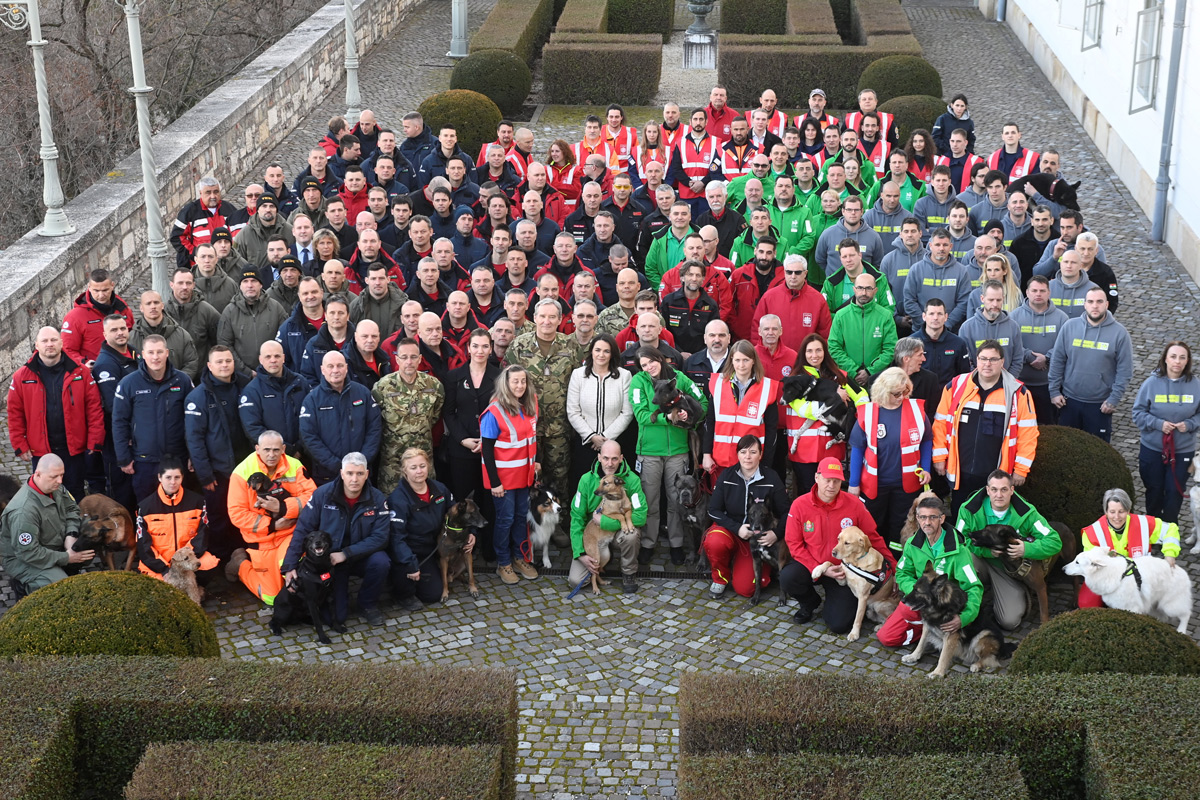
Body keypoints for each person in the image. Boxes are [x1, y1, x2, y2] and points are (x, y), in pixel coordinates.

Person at [781, 457, 895, 630]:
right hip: (813, 565)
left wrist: (894, 568)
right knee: (788, 577)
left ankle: (835, 603)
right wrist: (819, 568)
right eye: (827, 480)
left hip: (845, 571)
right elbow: (793, 543)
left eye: (836, 481)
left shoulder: (854, 504)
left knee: (839, 625)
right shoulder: (799, 505)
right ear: (816, 477)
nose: (831, 486)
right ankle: (810, 603)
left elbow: (873, 538)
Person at [283, 452, 392, 626]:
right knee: (336, 618)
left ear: (367, 474)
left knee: (381, 561)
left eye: (359, 473)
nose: (354, 479)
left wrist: (346, 553)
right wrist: (290, 565)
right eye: (349, 473)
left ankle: (368, 604)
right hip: (331, 562)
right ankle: (340, 596)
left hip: (360, 556)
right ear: (341, 473)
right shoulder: (322, 495)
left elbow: (380, 538)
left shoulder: (378, 499)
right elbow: (303, 530)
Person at [933, 339, 1039, 514]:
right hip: (961, 471)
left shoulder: (1017, 393)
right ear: (976, 360)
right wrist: (939, 458)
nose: (987, 364)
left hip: (996, 475)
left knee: (991, 525)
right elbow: (940, 424)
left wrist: (1021, 469)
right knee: (961, 519)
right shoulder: (956, 386)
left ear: (1002, 362)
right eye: (983, 359)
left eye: (993, 359)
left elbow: (1028, 434)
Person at [956, 469, 1061, 630]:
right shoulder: (969, 509)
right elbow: (958, 541)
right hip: (980, 561)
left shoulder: (1027, 513)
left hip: (1006, 570)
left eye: (1004, 489)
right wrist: (985, 552)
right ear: (987, 490)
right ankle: (966, 606)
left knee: (1010, 621)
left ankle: (1016, 595)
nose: (999, 495)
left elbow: (1054, 542)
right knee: (963, 559)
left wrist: (1026, 549)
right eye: (994, 489)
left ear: (1012, 490)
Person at [7, 326, 104, 501]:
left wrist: (95, 440)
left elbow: (94, 408)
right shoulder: (21, 376)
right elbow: (14, 413)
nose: (49, 344)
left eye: (53, 340)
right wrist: (19, 444)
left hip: (74, 449)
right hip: (41, 450)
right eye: (44, 341)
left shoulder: (80, 372)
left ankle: (75, 527)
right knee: (44, 495)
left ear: (61, 342)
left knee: (76, 491)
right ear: (36, 344)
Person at [630, 347, 707, 565]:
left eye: (651, 362)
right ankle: (648, 543)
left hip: (678, 451)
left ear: (660, 359)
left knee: (677, 502)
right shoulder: (638, 382)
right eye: (644, 365)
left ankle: (676, 544)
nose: (649, 368)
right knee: (650, 501)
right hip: (649, 452)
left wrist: (689, 417)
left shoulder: (679, 378)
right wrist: (670, 417)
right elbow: (642, 415)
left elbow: (702, 403)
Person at [876, 494, 981, 648]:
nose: (927, 522)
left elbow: (974, 587)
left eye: (932, 517)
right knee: (886, 637)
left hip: (944, 608)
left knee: (908, 613)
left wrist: (964, 618)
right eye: (923, 517)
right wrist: (920, 591)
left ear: (942, 518)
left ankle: (933, 637)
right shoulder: (912, 543)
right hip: (921, 601)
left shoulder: (959, 551)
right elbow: (902, 573)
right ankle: (926, 636)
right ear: (917, 518)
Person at [504, 300, 579, 514]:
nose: (547, 321)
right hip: (526, 426)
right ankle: (528, 523)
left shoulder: (570, 346)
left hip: (559, 426)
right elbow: (507, 383)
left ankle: (558, 523)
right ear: (534, 318)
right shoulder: (519, 346)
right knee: (527, 475)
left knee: (559, 475)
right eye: (542, 316)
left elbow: (579, 383)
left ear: (560, 319)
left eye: (552, 317)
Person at [847, 367, 931, 551]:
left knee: (900, 528)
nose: (901, 397)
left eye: (905, 391)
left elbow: (926, 440)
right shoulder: (867, 412)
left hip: (907, 485)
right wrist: (853, 484)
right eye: (896, 393)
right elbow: (857, 449)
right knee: (873, 525)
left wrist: (926, 468)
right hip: (874, 485)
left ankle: (896, 564)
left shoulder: (917, 410)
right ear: (883, 392)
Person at [184, 345, 251, 562]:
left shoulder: (246, 386)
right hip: (217, 472)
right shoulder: (198, 397)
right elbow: (194, 439)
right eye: (219, 362)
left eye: (228, 361)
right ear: (210, 366)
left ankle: (244, 557)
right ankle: (222, 560)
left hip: (246, 468)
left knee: (244, 514)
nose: (224, 365)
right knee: (219, 517)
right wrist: (205, 475)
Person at [702, 434, 790, 598]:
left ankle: (757, 566)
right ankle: (720, 578)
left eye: (753, 452)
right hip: (731, 531)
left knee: (746, 590)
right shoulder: (727, 476)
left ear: (760, 454)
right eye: (743, 452)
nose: (747, 457)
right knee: (714, 541)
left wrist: (776, 534)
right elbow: (713, 510)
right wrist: (736, 528)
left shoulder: (771, 478)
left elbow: (787, 512)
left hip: (758, 539)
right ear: (737, 454)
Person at [111, 335, 194, 503]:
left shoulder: (183, 380)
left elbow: (193, 421)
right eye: (151, 352)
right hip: (144, 461)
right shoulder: (128, 383)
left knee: (181, 507)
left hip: (177, 458)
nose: (155, 357)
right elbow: (119, 421)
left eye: (159, 352)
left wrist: (194, 454)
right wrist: (124, 458)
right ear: (143, 354)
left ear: (167, 353)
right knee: (148, 507)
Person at [481, 364, 542, 584]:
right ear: (505, 384)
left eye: (523, 381)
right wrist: (494, 483)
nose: (519, 385)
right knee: (505, 520)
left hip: (524, 477)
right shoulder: (494, 411)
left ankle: (519, 557)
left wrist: (537, 463)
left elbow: (533, 438)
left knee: (519, 519)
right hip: (503, 481)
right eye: (515, 381)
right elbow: (486, 450)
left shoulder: (530, 403)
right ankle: (503, 563)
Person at [1048, 287, 1133, 443]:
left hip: (1100, 406)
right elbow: (1057, 360)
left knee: (1098, 452)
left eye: (1099, 301)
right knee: (1068, 448)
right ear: (1084, 304)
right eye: (1091, 302)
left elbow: (1125, 371)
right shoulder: (1069, 327)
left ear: (1107, 304)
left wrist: (1113, 399)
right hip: (1069, 402)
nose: (1095, 306)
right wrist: (1054, 391)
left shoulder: (1120, 333)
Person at [1132, 341, 1200, 527]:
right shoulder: (1151, 384)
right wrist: (1158, 424)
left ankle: (1170, 532)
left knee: (1173, 492)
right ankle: (1153, 530)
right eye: (1173, 356)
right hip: (1153, 449)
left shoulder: (1195, 385)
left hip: (1182, 451)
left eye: (1182, 357)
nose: (1177, 361)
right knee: (1154, 490)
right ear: (1165, 359)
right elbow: (1137, 414)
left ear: (1187, 361)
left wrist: (1190, 424)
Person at [0, 455, 87, 596]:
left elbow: (72, 509)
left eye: (61, 475)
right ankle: (26, 587)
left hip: (50, 543)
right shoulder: (23, 511)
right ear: (38, 474)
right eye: (54, 476)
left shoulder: (55, 487)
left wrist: (71, 535)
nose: (59, 481)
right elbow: (28, 553)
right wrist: (66, 557)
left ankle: (65, 568)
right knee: (62, 588)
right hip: (23, 559)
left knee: (91, 541)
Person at [1078, 488, 1181, 608]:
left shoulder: (1143, 523)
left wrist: (1170, 555)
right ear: (1105, 512)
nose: (1117, 517)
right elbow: (1091, 564)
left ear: (1128, 510)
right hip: (1107, 576)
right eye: (1112, 512)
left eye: (1121, 511)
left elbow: (1170, 530)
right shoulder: (1092, 532)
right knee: (1086, 603)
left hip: (1140, 576)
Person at [567, 440, 645, 594]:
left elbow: (641, 516)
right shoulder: (586, 480)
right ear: (599, 457)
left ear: (621, 458)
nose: (610, 463)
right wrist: (580, 553)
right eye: (606, 458)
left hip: (617, 532)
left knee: (631, 535)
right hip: (595, 536)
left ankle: (629, 573)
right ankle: (601, 562)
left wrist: (606, 522)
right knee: (575, 581)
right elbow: (576, 518)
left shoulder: (632, 480)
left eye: (614, 459)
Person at [386, 447, 457, 610]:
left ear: (429, 466)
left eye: (422, 466)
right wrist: (410, 563)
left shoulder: (440, 489)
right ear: (404, 471)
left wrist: (470, 534)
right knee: (407, 576)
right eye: (413, 467)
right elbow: (396, 538)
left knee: (433, 595)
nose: (419, 471)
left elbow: (456, 512)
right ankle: (401, 590)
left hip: (432, 550)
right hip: (409, 552)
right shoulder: (398, 499)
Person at [371, 337, 444, 493]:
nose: (409, 361)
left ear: (420, 359)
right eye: (404, 357)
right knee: (392, 507)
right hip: (393, 462)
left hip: (423, 460)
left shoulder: (434, 386)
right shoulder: (383, 387)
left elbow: (435, 416)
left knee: (426, 503)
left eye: (413, 357)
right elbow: (376, 421)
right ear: (397, 359)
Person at [299, 350, 383, 484]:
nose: (335, 370)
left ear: (346, 368)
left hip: (361, 473)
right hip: (327, 474)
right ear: (322, 369)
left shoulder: (363, 393)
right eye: (330, 366)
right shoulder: (312, 400)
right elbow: (309, 437)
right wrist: (336, 465)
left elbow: (374, 429)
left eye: (340, 365)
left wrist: (361, 462)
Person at [135, 458, 220, 582]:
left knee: (210, 566)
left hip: (187, 559)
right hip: (160, 563)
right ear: (160, 477)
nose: (173, 482)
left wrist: (184, 561)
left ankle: (193, 586)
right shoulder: (145, 507)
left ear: (182, 478)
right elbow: (144, 545)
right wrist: (164, 569)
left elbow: (202, 535)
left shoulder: (197, 501)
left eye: (177, 477)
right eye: (168, 477)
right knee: (158, 584)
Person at [702, 340, 779, 475]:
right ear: (731, 360)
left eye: (746, 360)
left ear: (753, 361)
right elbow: (710, 422)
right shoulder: (718, 384)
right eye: (737, 360)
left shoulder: (767, 388)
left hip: (752, 462)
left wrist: (766, 463)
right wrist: (706, 454)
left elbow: (771, 430)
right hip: (721, 459)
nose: (741, 365)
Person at [567, 334, 634, 488]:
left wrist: (605, 438)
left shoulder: (624, 376)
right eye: (597, 350)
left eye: (606, 351)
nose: (601, 355)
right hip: (586, 444)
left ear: (613, 354)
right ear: (591, 352)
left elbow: (627, 412)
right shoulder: (578, 375)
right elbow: (572, 411)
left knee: (615, 488)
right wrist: (591, 437)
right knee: (586, 487)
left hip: (615, 444)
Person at [92, 314, 140, 512]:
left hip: (139, 434)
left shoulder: (134, 353)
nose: (120, 333)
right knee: (122, 492)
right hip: (118, 438)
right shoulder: (105, 364)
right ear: (104, 334)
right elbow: (114, 406)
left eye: (122, 328)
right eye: (114, 330)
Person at [239, 340, 309, 456]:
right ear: (260, 360)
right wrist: (283, 449)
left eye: (277, 356)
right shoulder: (252, 391)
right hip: (271, 457)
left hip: (303, 454)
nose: (273, 360)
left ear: (284, 358)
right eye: (268, 357)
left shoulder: (300, 382)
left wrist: (300, 447)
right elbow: (252, 427)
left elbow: (311, 419)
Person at [828, 273, 898, 386]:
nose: (864, 293)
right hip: (848, 380)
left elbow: (890, 349)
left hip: (878, 381)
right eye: (860, 288)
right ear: (854, 289)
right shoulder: (841, 316)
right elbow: (834, 347)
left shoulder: (885, 316)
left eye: (868, 288)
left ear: (875, 291)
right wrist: (853, 371)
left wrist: (870, 371)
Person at [751, 254, 831, 352]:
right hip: (775, 359)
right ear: (784, 272)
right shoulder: (769, 297)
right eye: (789, 272)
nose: (793, 276)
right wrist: (760, 355)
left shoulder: (818, 299)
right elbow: (757, 330)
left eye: (797, 272)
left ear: (805, 273)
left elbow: (825, 335)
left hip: (807, 361)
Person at [218, 269, 289, 375]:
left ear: (260, 284)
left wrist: (274, 365)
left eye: (254, 281)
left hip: (273, 372)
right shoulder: (230, 311)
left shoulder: (276, 308)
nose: (250, 285)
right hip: (242, 377)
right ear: (240, 286)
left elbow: (286, 340)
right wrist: (246, 372)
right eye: (245, 281)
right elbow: (225, 344)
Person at [61, 269, 135, 368]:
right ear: (89, 288)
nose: (101, 295)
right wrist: (83, 363)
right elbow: (67, 349)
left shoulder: (123, 309)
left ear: (112, 285)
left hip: (124, 368)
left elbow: (133, 337)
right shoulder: (75, 317)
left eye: (105, 290)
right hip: (95, 371)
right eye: (96, 291)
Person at [958, 280, 1026, 374]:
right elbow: (966, 362)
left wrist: (1007, 382)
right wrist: (980, 381)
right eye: (991, 300)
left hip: (1006, 385)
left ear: (1003, 299)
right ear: (982, 299)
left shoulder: (1013, 327)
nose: (995, 304)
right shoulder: (967, 328)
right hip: (977, 384)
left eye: (998, 300)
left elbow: (1018, 360)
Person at [170, 176, 239, 268]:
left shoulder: (230, 210)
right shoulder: (189, 211)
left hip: (226, 265)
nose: (213, 196)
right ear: (200, 193)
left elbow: (238, 235)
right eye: (208, 192)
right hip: (198, 267)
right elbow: (177, 237)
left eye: (216, 192)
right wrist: (194, 253)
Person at [130, 290, 200, 381]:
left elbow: (191, 363)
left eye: (156, 302)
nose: (153, 306)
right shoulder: (131, 339)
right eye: (148, 303)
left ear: (162, 305)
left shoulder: (182, 335)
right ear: (141, 308)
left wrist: (177, 382)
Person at [912, 298, 972, 387]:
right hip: (920, 397)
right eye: (931, 314)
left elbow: (964, 376)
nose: (935, 318)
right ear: (924, 316)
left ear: (946, 317)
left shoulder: (958, 344)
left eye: (940, 314)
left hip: (948, 396)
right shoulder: (912, 342)